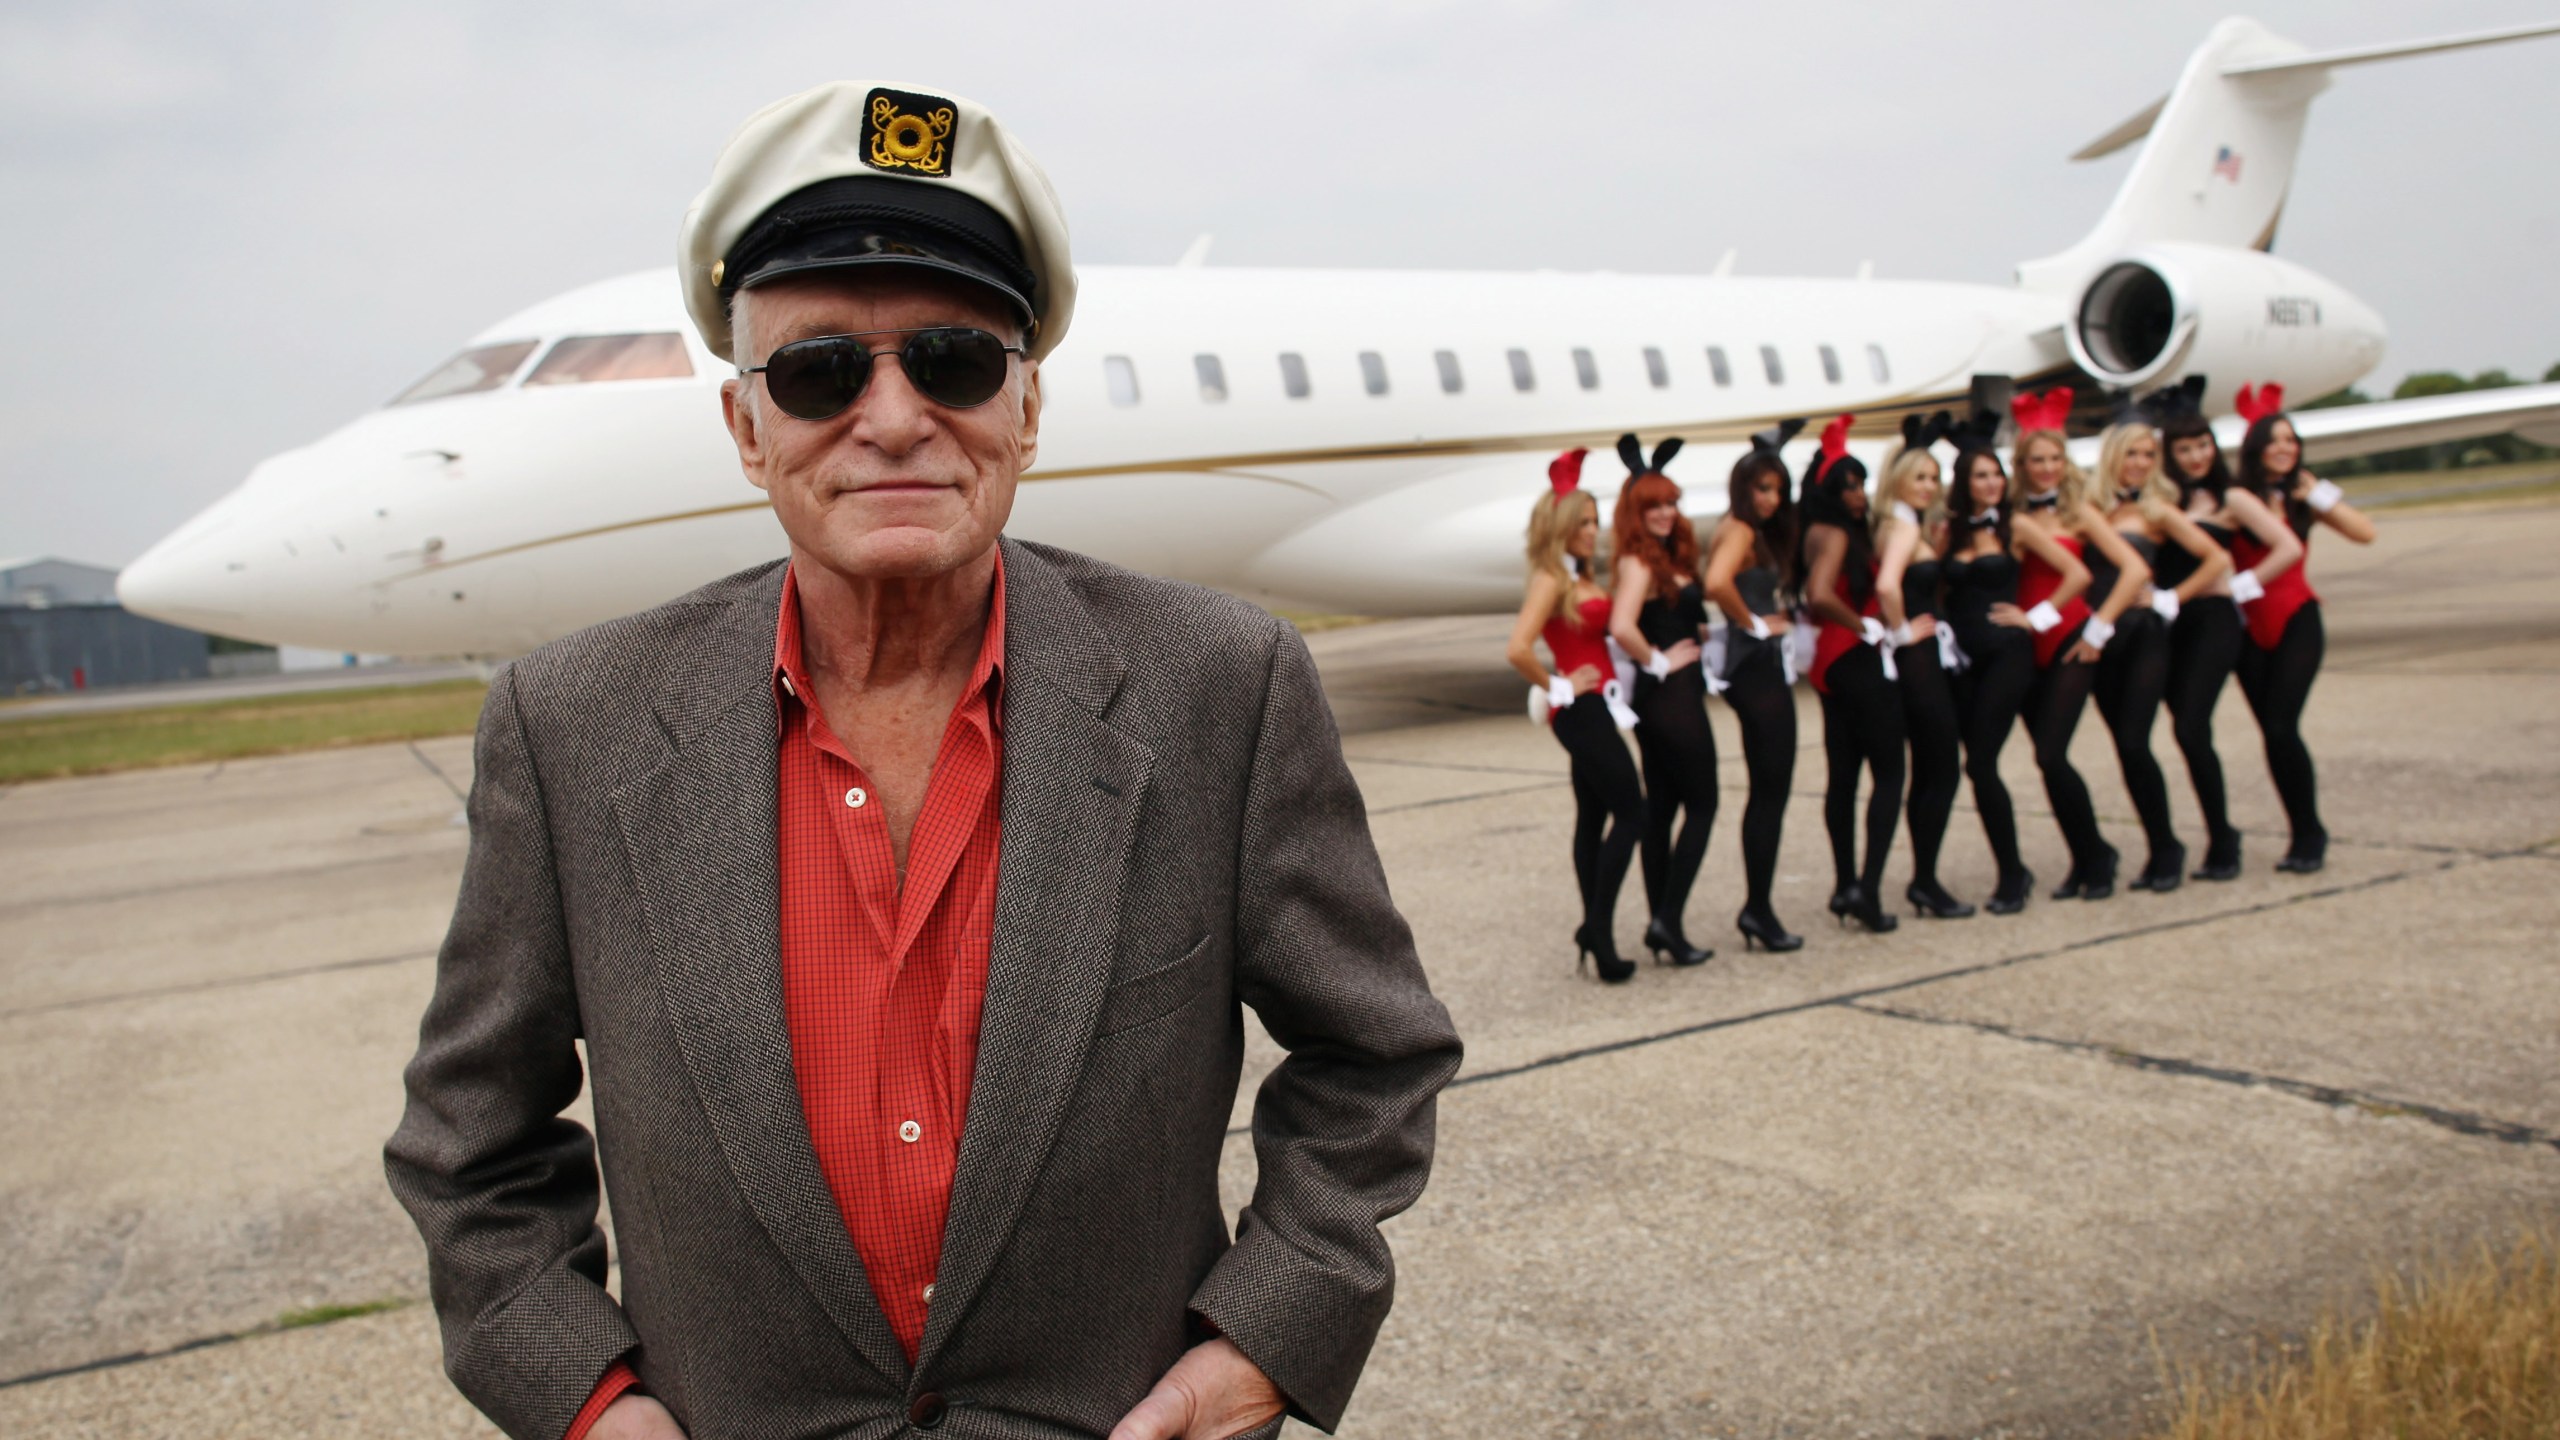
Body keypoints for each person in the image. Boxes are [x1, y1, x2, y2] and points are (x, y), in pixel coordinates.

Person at [387, 82, 1461, 1440]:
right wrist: (591, 1404)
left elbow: (1377, 1058)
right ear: (745, 430)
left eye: (953, 361)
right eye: (820, 370)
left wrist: (1268, 1334)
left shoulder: (1219, 689)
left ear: (1024, 409)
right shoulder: (571, 726)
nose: (893, 419)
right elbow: (466, 1147)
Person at [1511, 448, 1648, 982]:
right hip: (1579, 710)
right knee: (1634, 812)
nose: (1594, 529)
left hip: (1596, 708)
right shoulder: (1552, 579)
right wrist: (1561, 685)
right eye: (1584, 521)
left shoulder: (1578, 575)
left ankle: (1594, 930)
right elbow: (1518, 648)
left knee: (1594, 818)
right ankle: (1599, 929)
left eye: (1595, 520)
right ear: (1561, 526)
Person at [2230, 383, 2377, 873]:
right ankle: (2300, 829)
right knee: (2271, 734)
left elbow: (2365, 532)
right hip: (2248, 626)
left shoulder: (2305, 497)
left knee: (2281, 724)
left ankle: (2309, 833)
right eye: (2273, 440)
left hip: (2296, 617)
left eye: (2290, 440)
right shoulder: (2237, 499)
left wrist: (2319, 493)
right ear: (2255, 449)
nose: (2284, 448)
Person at [2010, 389, 2148, 900]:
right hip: (2026, 645)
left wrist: (2099, 628)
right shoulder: (2009, 514)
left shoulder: (2079, 512)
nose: (2047, 469)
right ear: (2021, 465)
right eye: (2037, 460)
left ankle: (2096, 855)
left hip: (2071, 638)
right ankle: (2086, 856)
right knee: (2043, 759)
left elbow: (2135, 570)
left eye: (2054, 459)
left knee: (2051, 754)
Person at [1943, 428, 2088, 914]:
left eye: (1997, 475)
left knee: (1981, 763)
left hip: (2009, 654)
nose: (1991, 484)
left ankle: (2012, 874)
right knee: (1978, 765)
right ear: (1964, 482)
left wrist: (2036, 617)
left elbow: (2077, 575)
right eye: (1981, 476)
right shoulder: (1947, 531)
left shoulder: (2016, 526)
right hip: (1965, 662)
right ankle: (2074, 857)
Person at [2160, 392, 2303, 880]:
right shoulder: (2165, 501)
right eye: (2184, 450)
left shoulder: (2234, 498)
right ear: (2170, 456)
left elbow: (2288, 547)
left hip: (2216, 622)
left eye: (2202, 445)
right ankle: (2221, 834)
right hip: (2172, 625)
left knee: (2190, 726)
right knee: (2192, 735)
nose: (2196, 456)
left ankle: (2227, 839)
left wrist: (2242, 585)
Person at [2091, 417, 2230, 891]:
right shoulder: (2088, 507)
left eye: (2149, 455)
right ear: (2113, 456)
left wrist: (2170, 597)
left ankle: (2169, 847)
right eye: (2132, 454)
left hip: (2145, 635)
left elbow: (2217, 559)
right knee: (2125, 750)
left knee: (2135, 741)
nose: (2141, 464)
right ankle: (2159, 844)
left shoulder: (2157, 510)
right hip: (2101, 635)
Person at [1603, 434, 1716, 967]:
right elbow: (1621, 625)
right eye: (1654, 506)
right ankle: (1667, 919)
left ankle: (1661, 922)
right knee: (1702, 803)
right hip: (1669, 696)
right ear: (1635, 511)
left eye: (1672, 502)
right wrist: (1659, 660)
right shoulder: (1639, 563)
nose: (1667, 513)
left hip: (1668, 697)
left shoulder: (1659, 558)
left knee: (1666, 808)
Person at [1798, 415, 1904, 935]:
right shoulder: (1837, 533)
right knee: (1889, 773)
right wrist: (1861, 623)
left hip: (1828, 663)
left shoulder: (1812, 530)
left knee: (1843, 777)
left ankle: (1845, 885)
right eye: (1850, 487)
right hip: (1853, 657)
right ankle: (1868, 887)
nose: (1860, 496)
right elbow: (1820, 594)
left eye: (1861, 485)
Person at [1705, 424, 1806, 952]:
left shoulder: (1740, 527)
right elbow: (1717, 583)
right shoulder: (1740, 530)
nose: (1771, 499)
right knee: (1770, 792)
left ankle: (1760, 906)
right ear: (1744, 487)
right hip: (1756, 671)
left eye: (1778, 489)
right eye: (1763, 489)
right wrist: (1757, 623)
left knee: (1771, 792)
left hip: (1757, 670)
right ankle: (1758, 909)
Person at [1871, 413, 1973, 919]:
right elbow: (1888, 585)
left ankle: (1924, 877)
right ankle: (1925, 879)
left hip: (1919, 656)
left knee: (1933, 769)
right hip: (1917, 658)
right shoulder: (1903, 528)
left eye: (1935, 478)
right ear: (1897, 480)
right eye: (1920, 478)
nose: (1930, 486)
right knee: (1941, 769)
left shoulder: (1900, 523)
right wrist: (1902, 631)